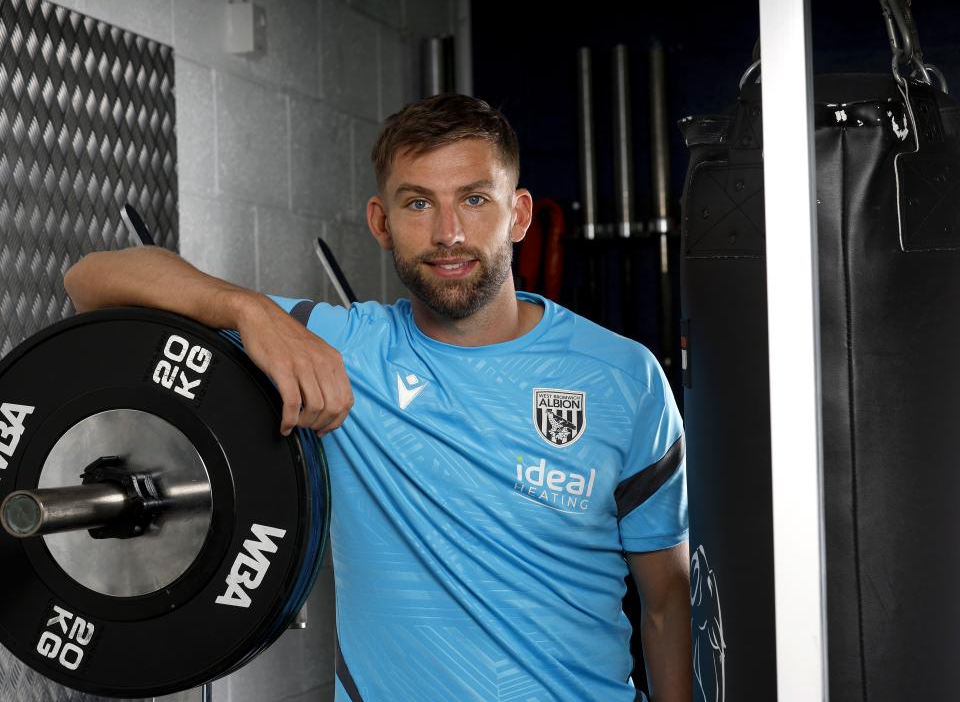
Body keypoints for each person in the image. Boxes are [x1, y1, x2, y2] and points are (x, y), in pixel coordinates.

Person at [64, 94, 691, 702]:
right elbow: (90, 280)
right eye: (418, 203)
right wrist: (249, 310)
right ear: (380, 223)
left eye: (474, 199)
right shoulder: (344, 348)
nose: (448, 233)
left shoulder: (621, 376)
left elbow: (666, 601)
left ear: (519, 215)